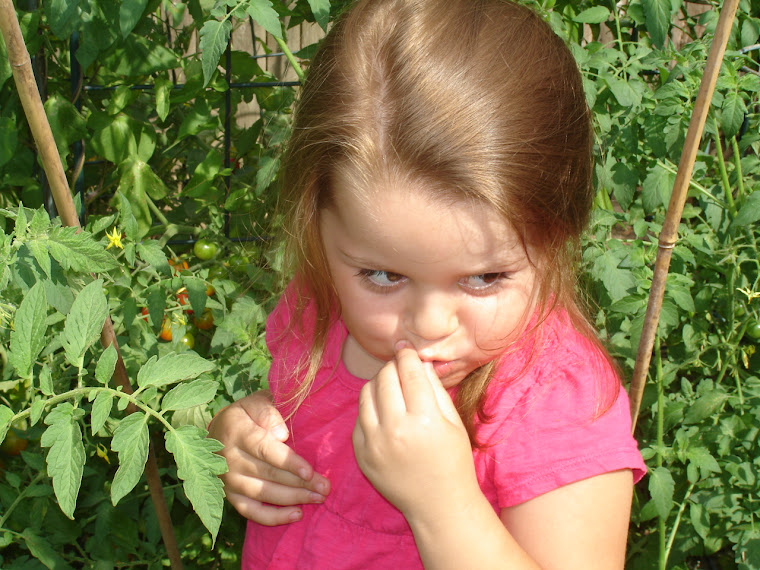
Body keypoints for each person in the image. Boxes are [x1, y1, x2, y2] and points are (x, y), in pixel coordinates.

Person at [208, 0, 646, 567]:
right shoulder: (323, 307)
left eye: (485, 278)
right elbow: (297, 420)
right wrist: (238, 441)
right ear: (318, 223)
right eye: (383, 275)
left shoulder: (554, 406)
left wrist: (443, 506)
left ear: (558, 233)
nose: (429, 325)